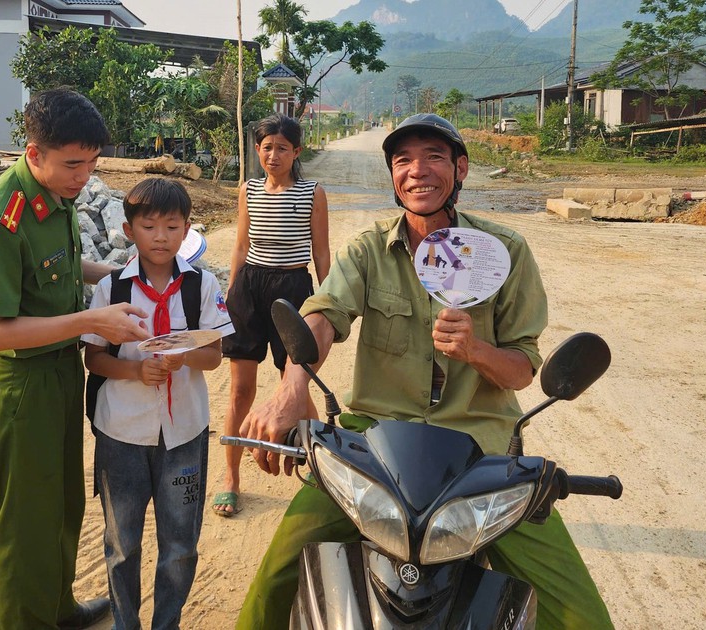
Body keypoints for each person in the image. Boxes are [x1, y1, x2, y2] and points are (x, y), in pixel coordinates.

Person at [235, 113, 615, 629]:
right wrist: (290, 386)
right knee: (276, 578)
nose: (418, 171)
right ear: (393, 176)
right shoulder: (370, 248)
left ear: (460, 169)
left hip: (480, 455)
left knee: (580, 615)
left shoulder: (505, 252)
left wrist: (477, 350)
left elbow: (524, 369)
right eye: (403, 160)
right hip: (376, 447)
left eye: (434, 157)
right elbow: (324, 316)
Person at [0, 87, 150, 630]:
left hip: (63, 373)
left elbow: (70, 272)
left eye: (92, 164)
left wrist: (132, 274)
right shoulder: (1, 217)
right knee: (27, 518)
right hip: (22, 385)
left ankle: (57, 608)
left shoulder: (58, 196)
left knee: (66, 501)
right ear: (33, 154)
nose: (84, 177)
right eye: (73, 164)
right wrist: (92, 322)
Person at [82, 177, 234, 630]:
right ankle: (126, 624)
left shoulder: (201, 286)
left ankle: (167, 623)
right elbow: (94, 358)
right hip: (122, 433)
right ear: (129, 230)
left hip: (184, 434)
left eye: (173, 226)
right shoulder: (113, 289)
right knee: (122, 544)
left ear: (188, 228)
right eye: (149, 226)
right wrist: (135, 369)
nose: (162, 236)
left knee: (180, 545)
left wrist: (179, 354)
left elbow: (214, 355)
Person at [215, 113, 330, 518]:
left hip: (293, 290)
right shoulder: (247, 189)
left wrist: (330, 304)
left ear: (296, 151)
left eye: (282, 148)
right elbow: (241, 244)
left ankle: (322, 466)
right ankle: (230, 476)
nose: (273, 155)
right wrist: (230, 294)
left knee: (294, 386)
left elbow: (320, 252)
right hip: (249, 288)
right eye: (267, 147)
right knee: (240, 390)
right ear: (257, 150)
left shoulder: (313, 193)